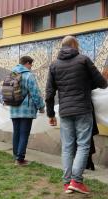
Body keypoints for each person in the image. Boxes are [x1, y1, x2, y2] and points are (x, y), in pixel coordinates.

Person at [45, 36, 107, 194]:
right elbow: (102, 83)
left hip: (65, 111)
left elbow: (49, 92)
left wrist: (51, 114)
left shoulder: (54, 65)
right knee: (83, 145)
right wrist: (86, 83)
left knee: (67, 147)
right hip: (83, 110)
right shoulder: (83, 60)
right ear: (73, 45)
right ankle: (76, 181)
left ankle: (67, 183)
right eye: (77, 44)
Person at [10, 56, 45, 166]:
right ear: (27, 63)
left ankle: (16, 156)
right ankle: (20, 159)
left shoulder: (12, 74)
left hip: (14, 109)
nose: (31, 67)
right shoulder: (29, 75)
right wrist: (41, 106)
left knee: (16, 133)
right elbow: (35, 93)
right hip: (26, 110)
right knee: (24, 134)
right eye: (31, 65)